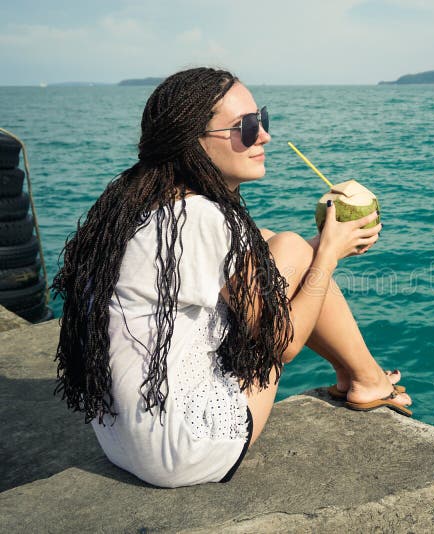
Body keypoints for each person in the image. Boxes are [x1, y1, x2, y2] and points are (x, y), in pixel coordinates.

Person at [52, 67, 412, 488]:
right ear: (194, 142)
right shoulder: (204, 218)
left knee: (276, 242)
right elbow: (282, 345)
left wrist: (323, 247)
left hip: (122, 437)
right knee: (296, 249)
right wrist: (328, 254)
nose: (264, 136)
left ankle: (363, 377)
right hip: (183, 446)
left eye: (263, 119)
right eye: (247, 127)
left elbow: (249, 256)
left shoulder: (142, 201)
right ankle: (367, 380)